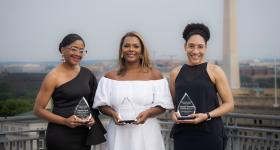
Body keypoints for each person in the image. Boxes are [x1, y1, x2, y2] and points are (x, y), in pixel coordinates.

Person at [93, 31, 174, 150]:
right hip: (118, 134)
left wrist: (148, 113)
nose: (131, 49)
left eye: (136, 46)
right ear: (121, 50)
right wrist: (112, 113)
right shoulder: (109, 77)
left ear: (142, 51)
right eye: (127, 46)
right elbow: (102, 105)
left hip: (147, 134)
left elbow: (163, 105)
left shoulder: (155, 76)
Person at [33, 33, 106, 150]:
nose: (78, 54)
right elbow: (38, 110)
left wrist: (91, 117)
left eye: (81, 51)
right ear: (62, 50)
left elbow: (94, 103)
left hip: (83, 135)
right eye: (74, 49)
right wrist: (65, 121)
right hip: (60, 135)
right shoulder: (53, 76)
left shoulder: (87, 74)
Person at [169, 23, 234, 150]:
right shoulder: (175, 73)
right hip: (183, 134)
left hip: (209, 133)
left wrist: (206, 115)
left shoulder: (215, 71)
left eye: (200, 47)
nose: (195, 51)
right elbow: (174, 104)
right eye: (191, 46)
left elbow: (229, 104)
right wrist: (173, 113)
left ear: (206, 48)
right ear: (185, 47)